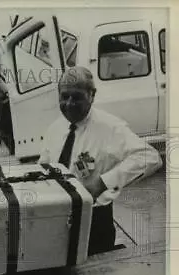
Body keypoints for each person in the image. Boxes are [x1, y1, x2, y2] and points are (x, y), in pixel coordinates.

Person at [38, 66, 162, 256]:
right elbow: (44, 165)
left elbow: (150, 157)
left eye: (77, 97)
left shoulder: (110, 128)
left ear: (92, 95)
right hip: (57, 217)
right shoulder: (55, 128)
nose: (69, 104)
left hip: (94, 221)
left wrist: (103, 182)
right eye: (64, 97)